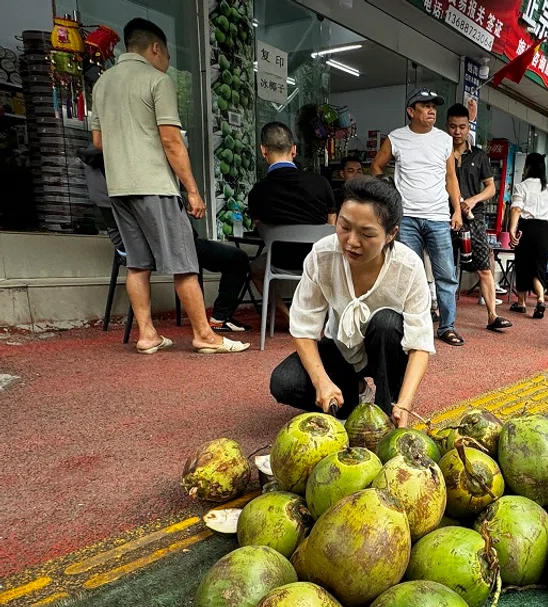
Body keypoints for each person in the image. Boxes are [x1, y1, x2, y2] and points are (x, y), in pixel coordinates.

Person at [90, 18, 246, 354]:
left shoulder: (102, 84)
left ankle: (147, 335)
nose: (167, 63)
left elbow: (98, 141)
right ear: (156, 48)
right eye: (168, 57)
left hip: (118, 186)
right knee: (184, 260)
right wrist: (192, 189)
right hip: (154, 184)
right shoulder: (157, 81)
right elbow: (171, 140)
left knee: (137, 263)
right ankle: (204, 334)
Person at [270, 177, 434, 427]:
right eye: (344, 227)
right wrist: (321, 382)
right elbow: (304, 327)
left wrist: (405, 403)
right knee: (284, 382)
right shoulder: (323, 255)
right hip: (340, 349)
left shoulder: (408, 267)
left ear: (391, 234)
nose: (352, 242)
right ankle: (354, 396)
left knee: (387, 322)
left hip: (385, 350)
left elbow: (420, 343)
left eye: (367, 234)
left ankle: (386, 410)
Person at [371, 88, 464, 346]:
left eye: (434, 105)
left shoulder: (445, 140)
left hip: (437, 216)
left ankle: (447, 326)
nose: (432, 110)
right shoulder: (396, 138)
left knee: (445, 274)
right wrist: (388, 190)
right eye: (424, 105)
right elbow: (376, 166)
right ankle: (412, 324)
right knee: (410, 273)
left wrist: (456, 210)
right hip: (407, 217)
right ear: (411, 111)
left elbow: (450, 177)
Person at [248, 121, 337, 318]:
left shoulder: (258, 191)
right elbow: (333, 220)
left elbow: (260, 227)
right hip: (318, 257)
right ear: (294, 150)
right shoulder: (320, 183)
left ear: (263, 151)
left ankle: (289, 317)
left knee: (254, 270)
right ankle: (324, 317)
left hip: (279, 259)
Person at [446, 103, 511, 332]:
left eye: (462, 126)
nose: (457, 131)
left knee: (484, 267)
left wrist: (472, 200)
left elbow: (491, 188)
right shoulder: (441, 152)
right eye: (453, 126)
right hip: (444, 218)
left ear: (467, 127)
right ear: (447, 126)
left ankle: (493, 315)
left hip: (474, 219)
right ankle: (443, 317)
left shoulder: (479, 155)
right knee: (444, 269)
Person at [507, 153, 548, 319]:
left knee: (523, 264)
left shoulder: (522, 186)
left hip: (527, 229)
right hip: (543, 230)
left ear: (528, 167)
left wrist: (512, 230)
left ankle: (521, 303)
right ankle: (540, 299)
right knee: (539, 267)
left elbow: (516, 209)